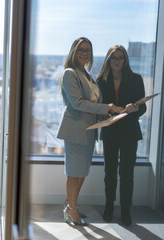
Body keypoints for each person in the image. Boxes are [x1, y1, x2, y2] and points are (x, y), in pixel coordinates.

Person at [57, 37, 122, 226]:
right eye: (81, 50)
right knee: (73, 172)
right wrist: (105, 107)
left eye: (87, 50)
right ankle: (72, 211)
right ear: (73, 52)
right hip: (75, 130)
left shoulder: (88, 75)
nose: (85, 53)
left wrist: (107, 116)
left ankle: (71, 205)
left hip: (89, 130)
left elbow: (92, 104)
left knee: (82, 171)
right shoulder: (70, 73)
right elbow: (77, 104)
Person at [97, 45, 146, 226]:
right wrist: (106, 109)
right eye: (114, 58)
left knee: (127, 173)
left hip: (129, 132)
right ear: (108, 60)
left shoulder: (136, 79)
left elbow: (144, 107)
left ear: (125, 61)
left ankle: (126, 211)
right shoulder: (100, 81)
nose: (117, 61)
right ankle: (109, 207)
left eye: (121, 58)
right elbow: (98, 108)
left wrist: (135, 108)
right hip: (109, 130)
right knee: (109, 172)